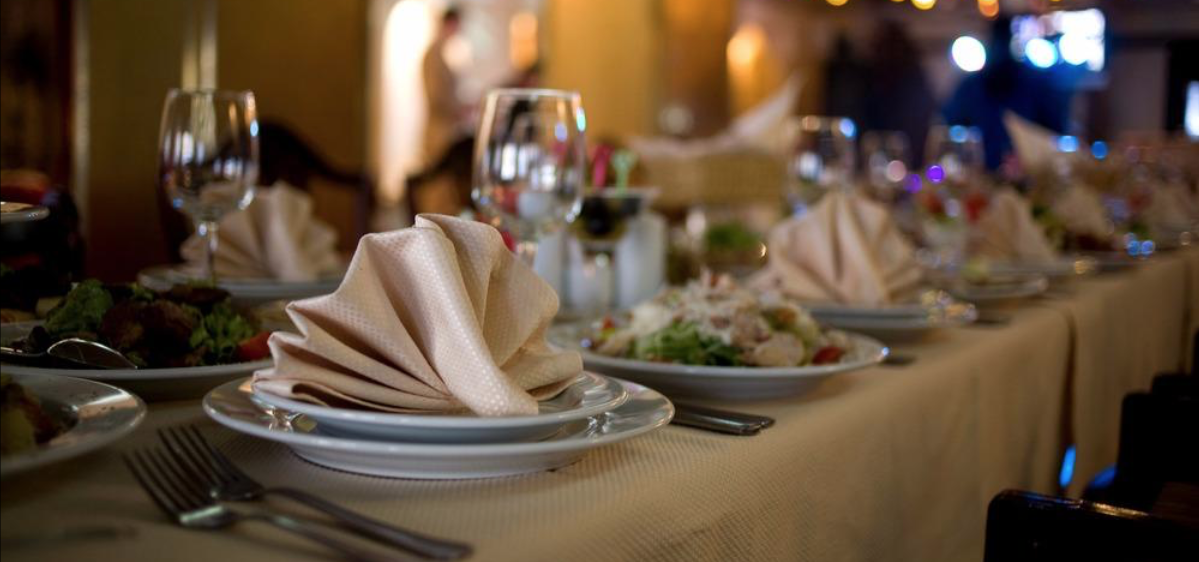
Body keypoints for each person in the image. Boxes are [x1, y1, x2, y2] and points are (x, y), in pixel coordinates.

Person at [942, 17, 1071, 170]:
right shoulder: (971, 86)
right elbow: (948, 131)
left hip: (1030, 176)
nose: (1000, 50)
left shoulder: (1036, 84)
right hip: (981, 175)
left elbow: (1056, 135)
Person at [864, 21, 937, 168]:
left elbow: (922, 124)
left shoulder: (914, 81)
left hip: (908, 162)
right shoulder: (868, 82)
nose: (889, 55)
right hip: (884, 162)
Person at [421, 6, 467, 169]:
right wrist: (458, 111)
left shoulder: (440, 54)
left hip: (445, 131)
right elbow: (436, 97)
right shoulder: (433, 55)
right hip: (438, 133)